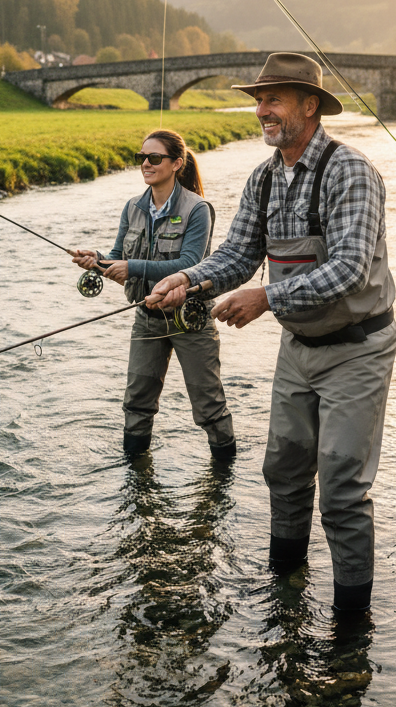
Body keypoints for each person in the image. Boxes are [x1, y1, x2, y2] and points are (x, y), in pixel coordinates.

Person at [146, 53, 396, 615]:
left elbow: (351, 269)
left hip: (359, 350)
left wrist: (267, 297)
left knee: (340, 489)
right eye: (258, 100)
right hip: (299, 346)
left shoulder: (351, 171)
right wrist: (186, 279)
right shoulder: (263, 176)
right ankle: (286, 597)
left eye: (273, 99)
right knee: (282, 469)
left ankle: (348, 632)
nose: (261, 110)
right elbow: (237, 254)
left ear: (310, 106)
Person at [71, 128, 236, 461]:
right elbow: (119, 256)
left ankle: (222, 477)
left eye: (154, 158)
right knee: (137, 403)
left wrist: (132, 267)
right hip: (146, 320)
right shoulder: (133, 207)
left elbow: (190, 264)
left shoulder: (198, 209)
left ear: (176, 163)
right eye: (141, 157)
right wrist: (97, 261)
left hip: (189, 321)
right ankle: (135, 479)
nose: (146, 163)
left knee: (209, 407)